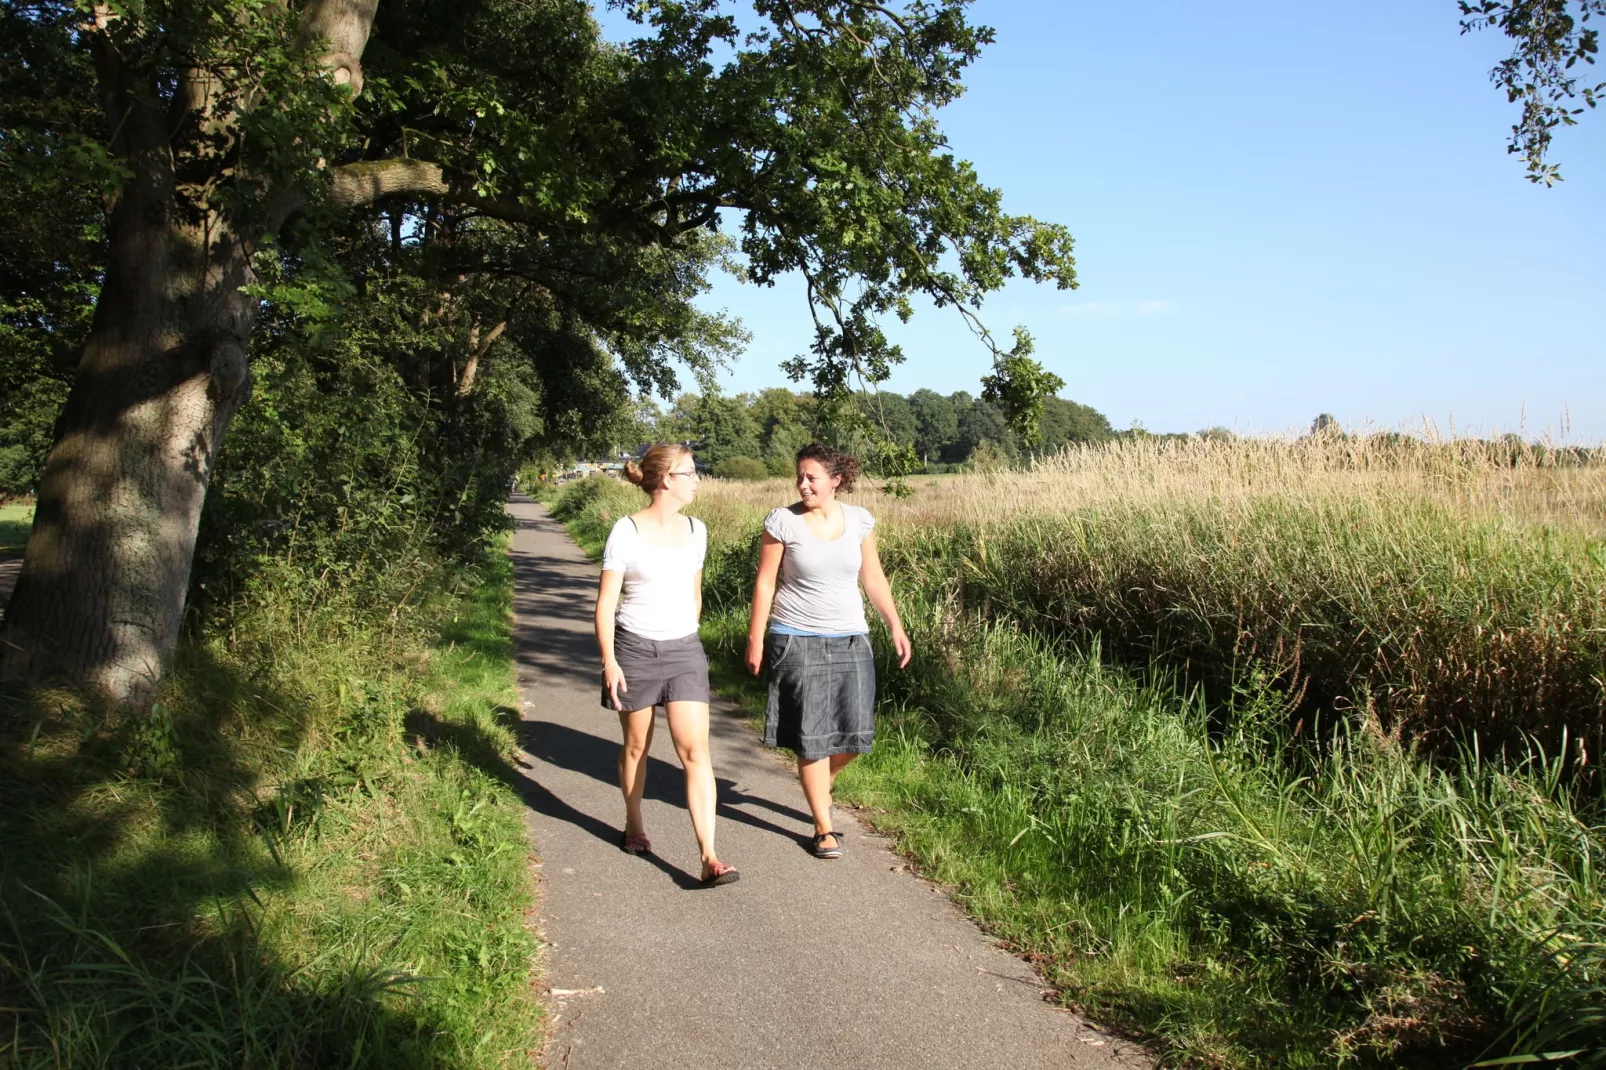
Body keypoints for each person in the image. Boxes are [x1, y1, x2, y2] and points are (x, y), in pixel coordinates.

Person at [745, 442, 911, 859]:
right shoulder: (783, 522)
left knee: (855, 736)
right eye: (799, 476)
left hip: (852, 637)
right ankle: (823, 826)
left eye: (812, 477)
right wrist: (755, 637)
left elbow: (873, 577)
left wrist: (895, 624)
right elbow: (766, 582)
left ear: (836, 480)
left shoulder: (858, 520)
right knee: (812, 738)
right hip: (796, 639)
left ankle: (821, 783)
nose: (802, 484)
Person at [594, 444, 738, 886]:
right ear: (665, 479)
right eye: (690, 472)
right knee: (637, 746)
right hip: (634, 648)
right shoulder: (626, 530)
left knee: (695, 751)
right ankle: (634, 823)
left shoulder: (698, 529)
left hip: (683, 651)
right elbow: (605, 604)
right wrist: (610, 661)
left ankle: (710, 856)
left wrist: (686, 632)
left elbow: (694, 591)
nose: (698, 479)